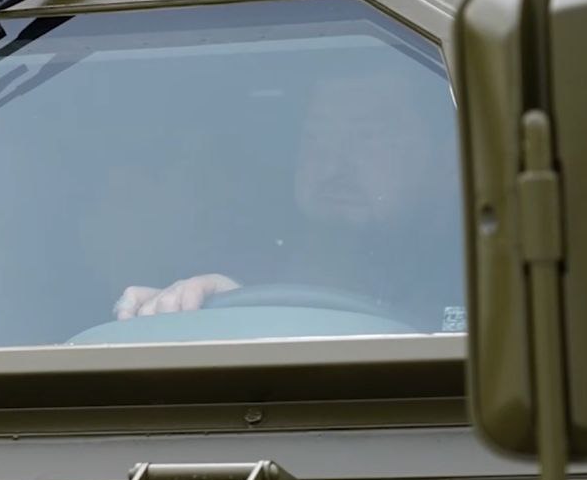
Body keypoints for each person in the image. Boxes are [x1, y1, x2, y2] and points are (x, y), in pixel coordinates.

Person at [110, 67, 463, 330]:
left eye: (368, 137)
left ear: (448, 158)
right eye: (317, 137)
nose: (333, 164)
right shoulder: (250, 264)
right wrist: (184, 307)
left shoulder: (477, 273)